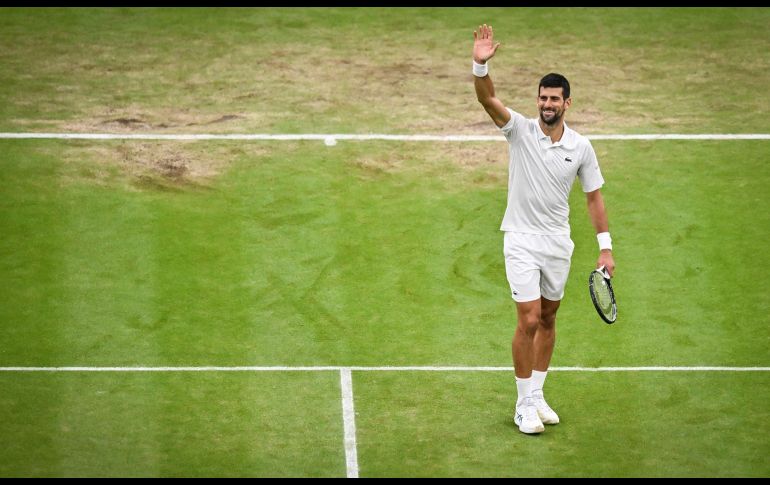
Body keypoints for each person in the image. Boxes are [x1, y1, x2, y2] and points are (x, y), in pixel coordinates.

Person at [472, 24, 615, 434]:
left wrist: (605, 247)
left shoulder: (581, 147)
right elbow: (487, 99)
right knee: (530, 318)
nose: (547, 104)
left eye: (554, 98)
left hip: (557, 243)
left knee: (549, 319)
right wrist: (480, 66)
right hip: (520, 239)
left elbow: (594, 197)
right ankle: (522, 405)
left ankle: (536, 395)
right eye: (542, 98)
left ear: (567, 103)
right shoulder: (519, 131)